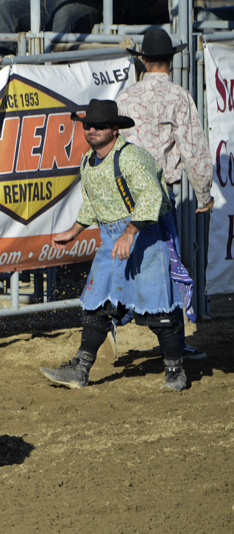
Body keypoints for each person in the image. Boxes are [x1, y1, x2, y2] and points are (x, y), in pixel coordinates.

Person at [41, 99, 192, 391]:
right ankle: (81, 369)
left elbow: (152, 197)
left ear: (114, 128)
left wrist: (130, 232)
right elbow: (92, 202)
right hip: (112, 238)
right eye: (88, 125)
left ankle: (175, 371)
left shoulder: (131, 157)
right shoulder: (88, 160)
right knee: (98, 303)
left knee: (159, 309)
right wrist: (74, 230)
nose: (92, 129)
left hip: (145, 235)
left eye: (99, 125)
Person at [114, 27, 213, 359]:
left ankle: (106, 327)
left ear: (143, 60)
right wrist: (204, 196)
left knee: (121, 266)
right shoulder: (179, 97)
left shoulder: (124, 98)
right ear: (170, 60)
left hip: (123, 196)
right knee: (168, 267)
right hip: (157, 196)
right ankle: (175, 348)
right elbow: (194, 151)